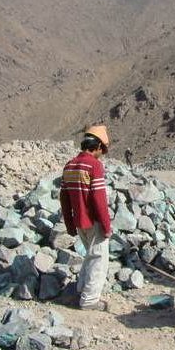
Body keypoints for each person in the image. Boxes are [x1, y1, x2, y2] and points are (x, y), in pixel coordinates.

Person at [59, 125, 112, 310]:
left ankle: (81, 289)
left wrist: (69, 223)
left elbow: (64, 198)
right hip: (94, 221)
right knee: (99, 259)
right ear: (97, 146)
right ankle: (89, 300)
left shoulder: (70, 165)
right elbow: (99, 200)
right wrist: (106, 226)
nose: (101, 154)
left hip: (79, 221)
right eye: (101, 150)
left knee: (90, 256)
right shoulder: (94, 165)